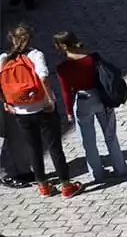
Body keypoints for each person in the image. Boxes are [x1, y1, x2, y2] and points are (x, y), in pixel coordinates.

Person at [3, 23, 82, 196]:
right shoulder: (36, 54)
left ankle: (43, 186)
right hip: (42, 108)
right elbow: (43, 78)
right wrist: (48, 100)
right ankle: (66, 186)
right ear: (30, 38)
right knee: (54, 147)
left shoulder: (3, 58)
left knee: (33, 148)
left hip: (21, 112)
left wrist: (6, 102)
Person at [51, 32, 127, 184]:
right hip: (100, 98)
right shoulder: (92, 59)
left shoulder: (62, 68)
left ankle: (97, 173)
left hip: (82, 100)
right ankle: (121, 168)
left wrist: (68, 112)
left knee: (88, 140)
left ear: (63, 46)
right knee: (110, 135)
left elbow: (66, 91)